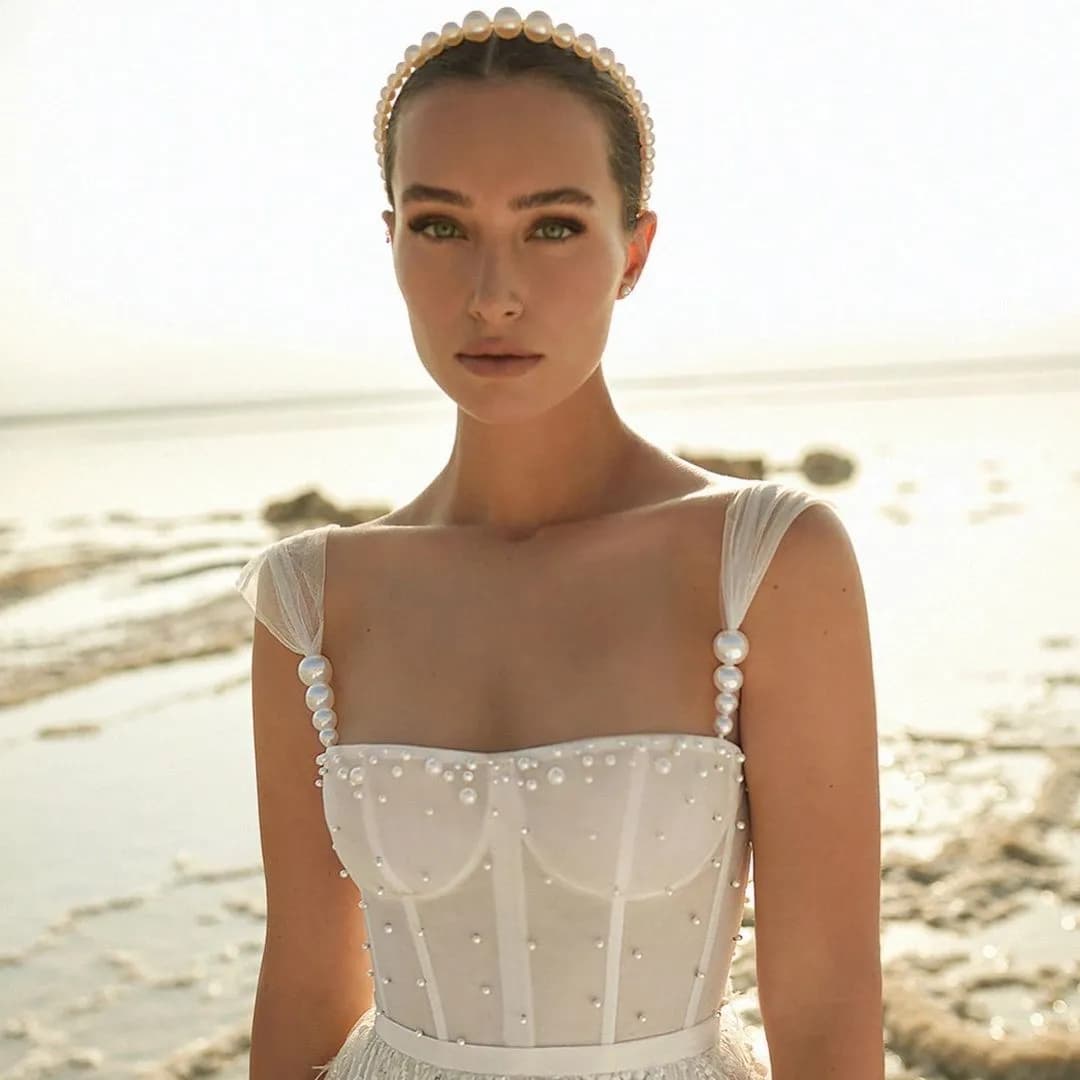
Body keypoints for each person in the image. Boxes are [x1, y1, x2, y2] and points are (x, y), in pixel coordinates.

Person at [235, 8, 884, 1079]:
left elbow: (826, 1011)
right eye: (442, 226)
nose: (493, 295)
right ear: (390, 237)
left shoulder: (765, 563)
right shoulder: (308, 603)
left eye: (553, 226)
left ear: (634, 250)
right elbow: (306, 983)